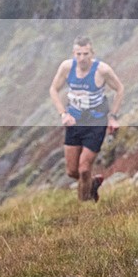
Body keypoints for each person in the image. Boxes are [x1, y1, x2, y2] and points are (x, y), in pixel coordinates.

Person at [49, 36, 124, 202]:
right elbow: (53, 89)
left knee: (84, 169)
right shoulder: (66, 67)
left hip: (96, 123)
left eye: (85, 54)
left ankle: (84, 208)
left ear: (92, 53)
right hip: (74, 122)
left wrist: (112, 117)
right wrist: (63, 114)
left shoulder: (102, 70)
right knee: (72, 172)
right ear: (73, 54)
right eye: (78, 54)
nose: (82, 58)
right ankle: (93, 183)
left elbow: (119, 89)